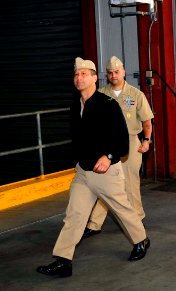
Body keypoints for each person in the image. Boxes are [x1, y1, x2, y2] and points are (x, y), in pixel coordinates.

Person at [37, 58, 150, 278]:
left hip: (106, 173)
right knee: (74, 215)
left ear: (94, 78)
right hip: (83, 172)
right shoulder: (75, 104)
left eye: (84, 74)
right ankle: (63, 260)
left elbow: (121, 141)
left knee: (122, 210)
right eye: (76, 75)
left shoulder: (107, 105)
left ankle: (141, 240)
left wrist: (108, 157)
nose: (79, 78)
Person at [82, 56, 154, 238]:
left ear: (123, 72)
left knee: (130, 184)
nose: (114, 75)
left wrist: (146, 141)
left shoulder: (136, 94)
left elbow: (147, 121)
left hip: (130, 143)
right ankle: (94, 224)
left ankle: (138, 217)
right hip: (107, 145)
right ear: (106, 75)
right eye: (110, 72)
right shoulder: (100, 95)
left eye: (117, 71)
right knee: (103, 184)